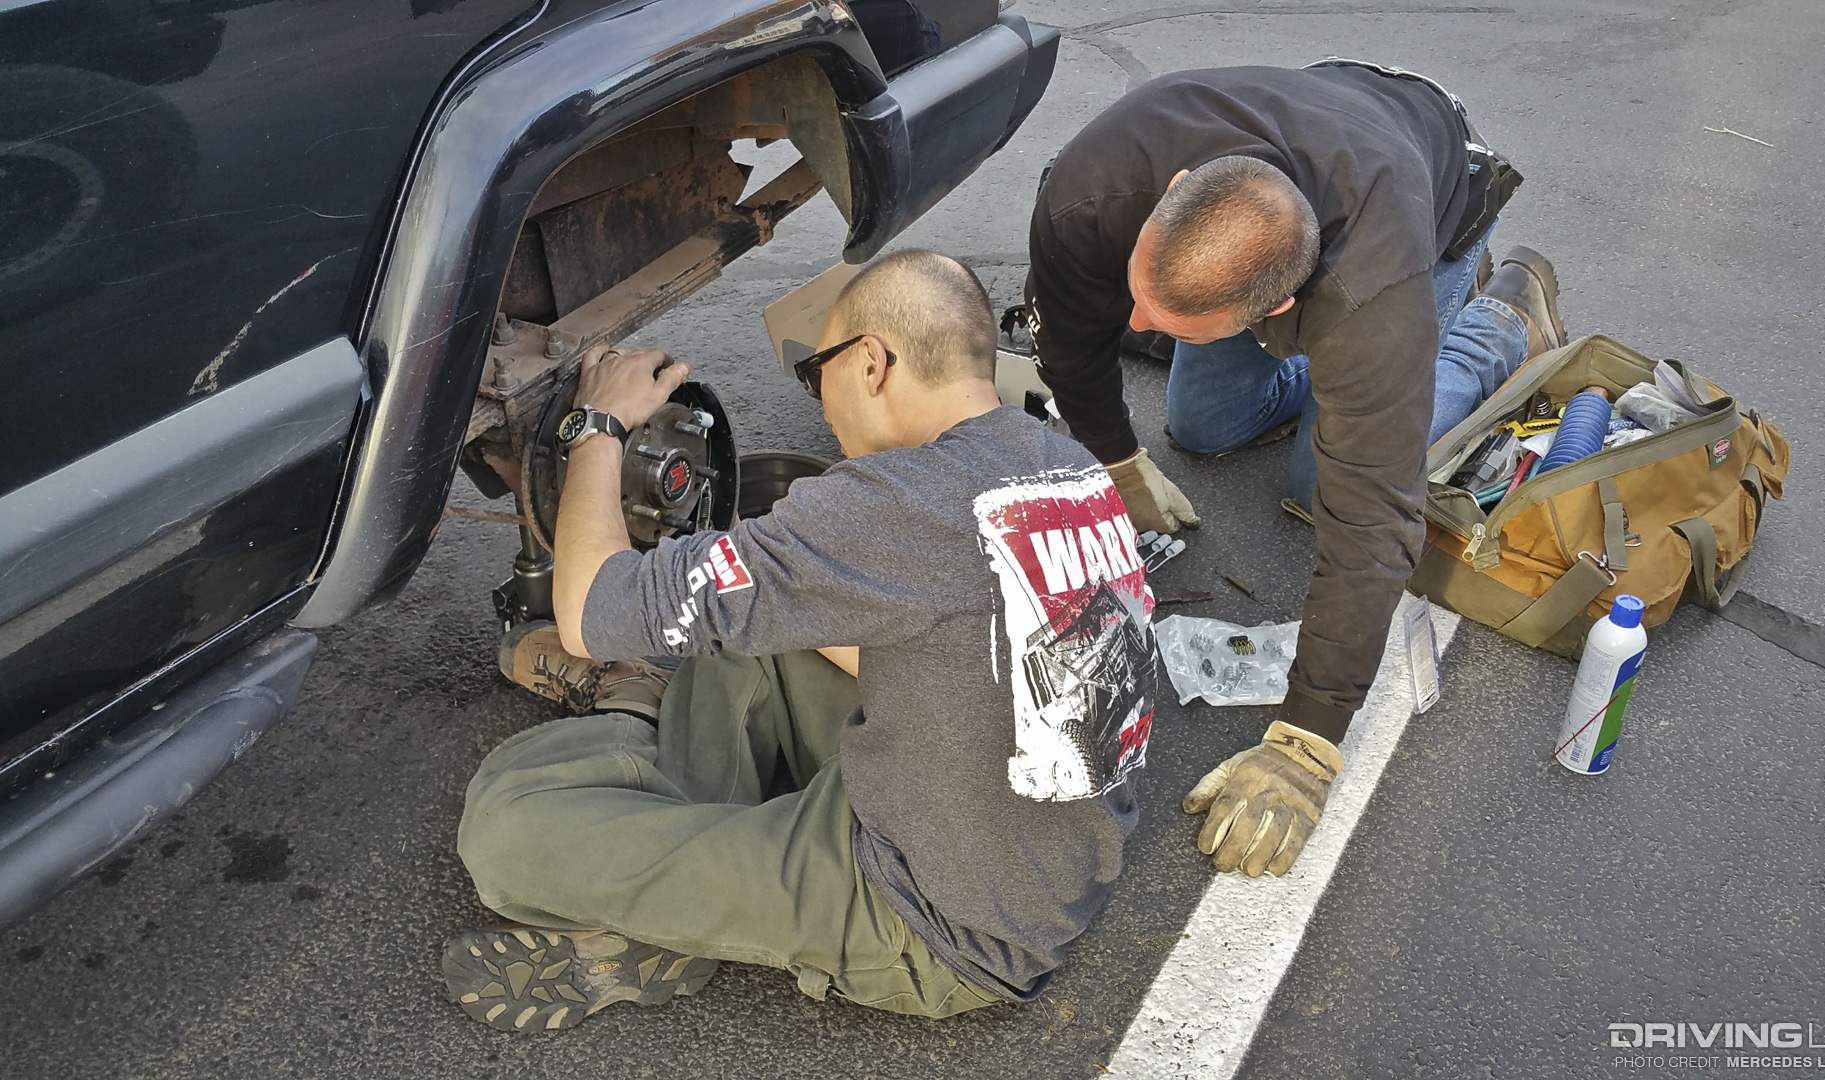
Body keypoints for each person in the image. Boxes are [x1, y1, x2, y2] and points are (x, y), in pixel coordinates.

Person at [444, 250, 1160, 1032]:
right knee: (761, 623)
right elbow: (978, 657)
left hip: (933, 923)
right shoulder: (1066, 466)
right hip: (1035, 858)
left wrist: (599, 424)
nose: (820, 407)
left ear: (872, 363)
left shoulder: (893, 504)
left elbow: (588, 611)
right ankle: (685, 871)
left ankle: (667, 884)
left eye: (818, 375)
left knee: (505, 824)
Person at [1024, 61, 1567, 879]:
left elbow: (1374, 525)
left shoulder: (1374, 297)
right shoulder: (1094, 186)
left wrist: (1308, 740)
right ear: (1178, 191)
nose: (1131, 321)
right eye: (1140, 296)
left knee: (1323, 481)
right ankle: (1334, 385)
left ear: (1275, 306)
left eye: (1167, 323)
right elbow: (1069, 334)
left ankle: (1502, 317)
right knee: (1200, 428)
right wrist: (1118, 458)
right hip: (1325, 128)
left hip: (1432, 183)